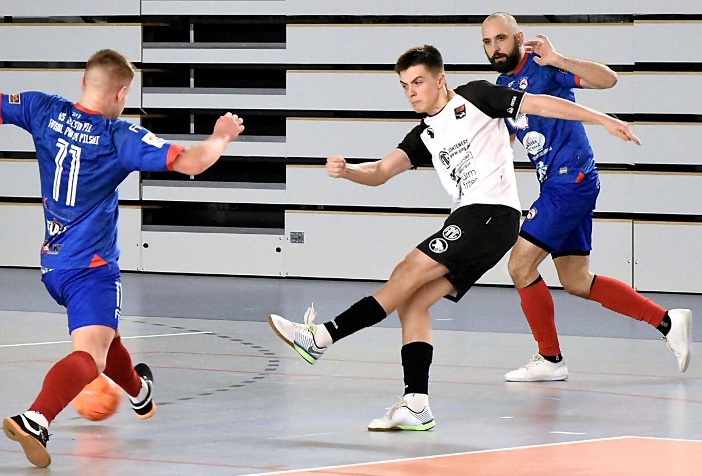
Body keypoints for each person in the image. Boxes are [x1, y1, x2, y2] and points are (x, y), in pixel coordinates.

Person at [0, 49, 244, 467]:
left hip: (52, 264)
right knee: (92, 356)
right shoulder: (119, 137)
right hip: (91, 268)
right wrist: (221, 134)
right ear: (122, 93)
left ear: (83, 82)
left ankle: (138, 392)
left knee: (105, 337)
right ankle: (37, 418)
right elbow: (193, 162)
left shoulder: (44, 109)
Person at [268, 44, 641, 432]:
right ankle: (416, 403)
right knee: (412, 302)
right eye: (404, 86)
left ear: (439, 79)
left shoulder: (476, 97)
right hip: (475, 222)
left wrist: (602, 119)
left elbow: (543, 105)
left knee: (408, 270)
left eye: (418, 82)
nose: (411, 91)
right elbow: (380, 171)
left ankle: (322, 337)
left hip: (490, 214)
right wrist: (349, 171)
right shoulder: (424, 134)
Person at [481, 12, 692, 382]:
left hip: (570, 181)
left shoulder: (545, 67)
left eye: (500, 38)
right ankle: (667, 322)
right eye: (487, 42)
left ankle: (550, 358)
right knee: (577, 281)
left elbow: (608, 79)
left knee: (519, 266)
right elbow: (514, 135)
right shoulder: (502, 85)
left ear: (518, 37)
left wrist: (560, 58)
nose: (494, 48)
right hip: (559, 185)